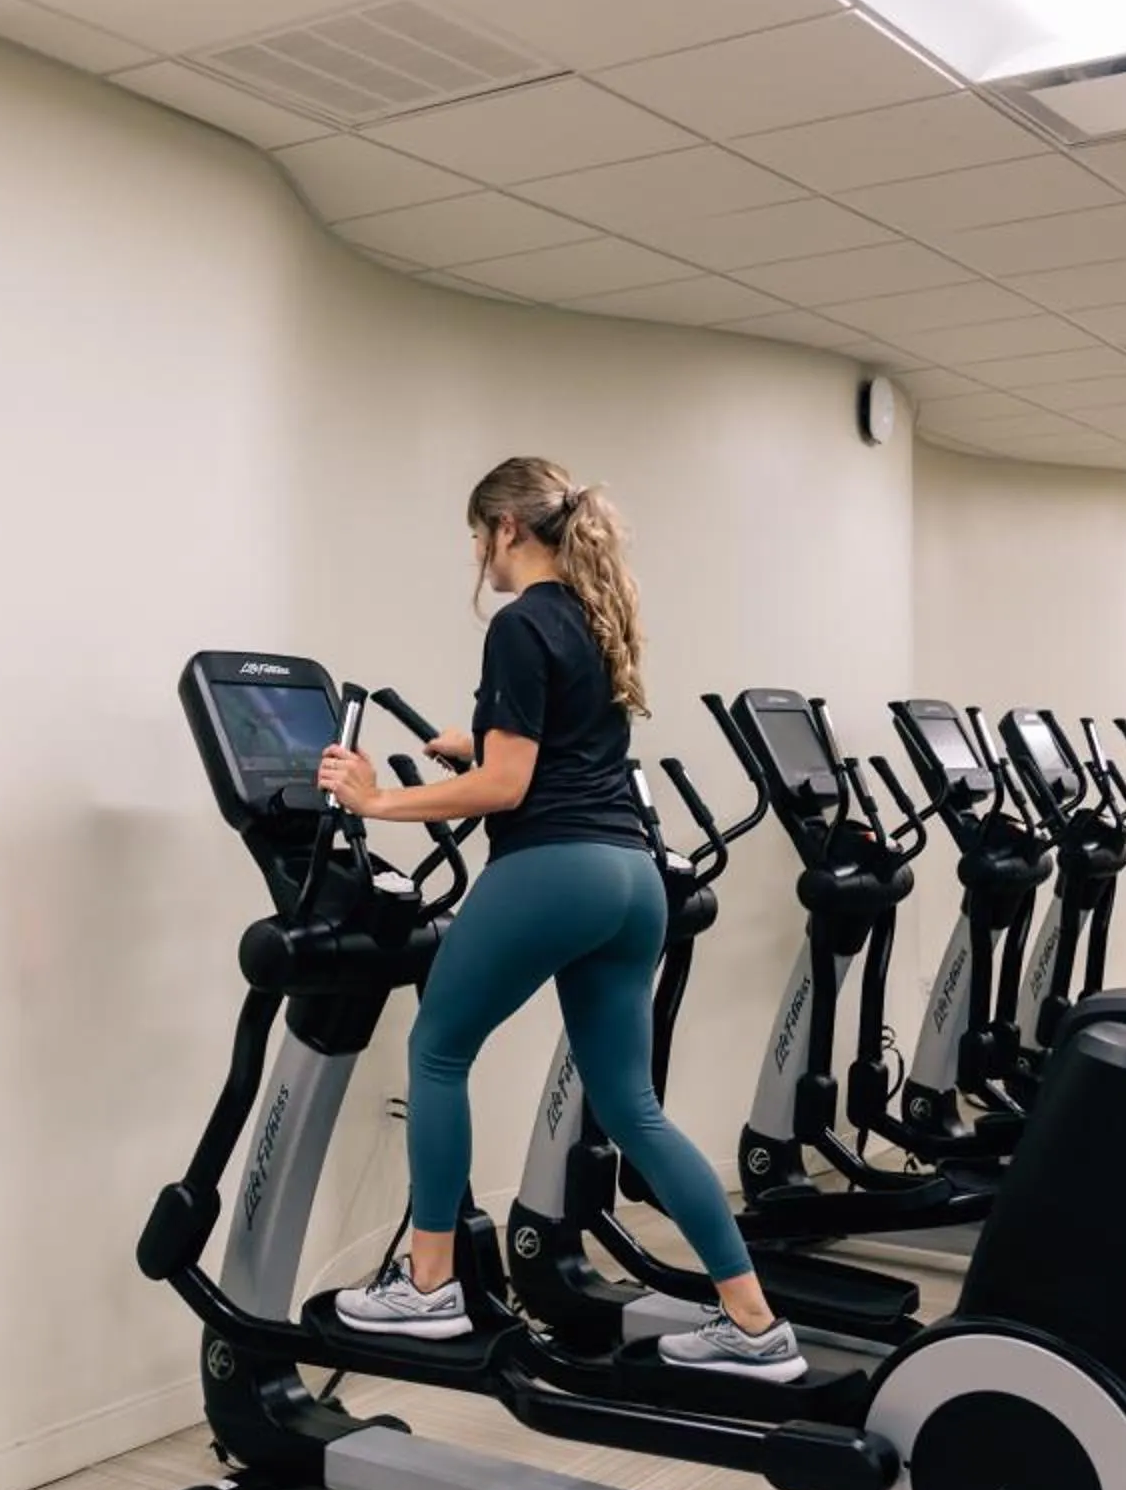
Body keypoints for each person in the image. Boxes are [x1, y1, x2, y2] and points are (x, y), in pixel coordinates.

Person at [313, 456, 799, 1381]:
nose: (480, 559)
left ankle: (428, 1287)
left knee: (438, 1052)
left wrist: (375, 803)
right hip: (632, 880)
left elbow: (509, 786)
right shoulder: (592, 616)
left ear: (506, 529)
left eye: (478, 537)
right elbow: (553, 744)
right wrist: (477, 737)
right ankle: (753, 1324)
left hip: (555, 868)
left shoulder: (518, 621)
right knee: (633, 1106)